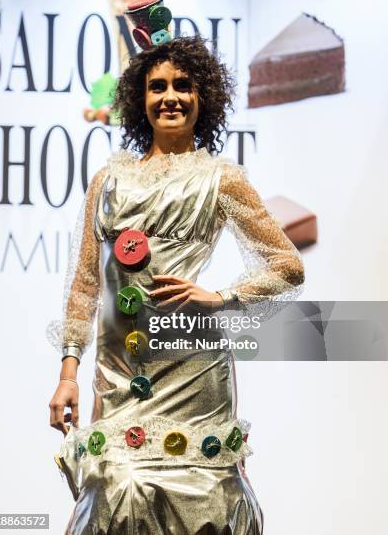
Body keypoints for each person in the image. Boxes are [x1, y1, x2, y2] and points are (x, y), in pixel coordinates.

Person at [47, 31, 304, 534]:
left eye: (183, 85)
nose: (170, 97)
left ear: (201, 97)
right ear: (139, 100)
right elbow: (83, 285)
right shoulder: (107, 181)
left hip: (193, 365)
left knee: (202, 500)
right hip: (120, 369)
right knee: (114, 494)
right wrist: (68, 373)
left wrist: (224, 296)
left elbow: (287, 265)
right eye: (157, 86)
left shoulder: (220, 179)